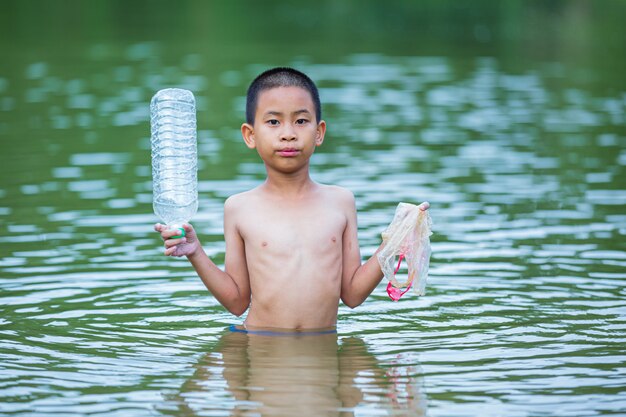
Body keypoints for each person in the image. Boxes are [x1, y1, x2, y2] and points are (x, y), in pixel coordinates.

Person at [154, 67, 429, 330]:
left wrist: (394, 241)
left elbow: (353, 295)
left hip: (321, 348)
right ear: (250, 135)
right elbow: (237, 302)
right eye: (273, 122)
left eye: (301, 121)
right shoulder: (239, 208)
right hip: (261, 345)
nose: (288, 133)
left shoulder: (341, 202)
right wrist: (195, 252)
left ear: (319, 132)